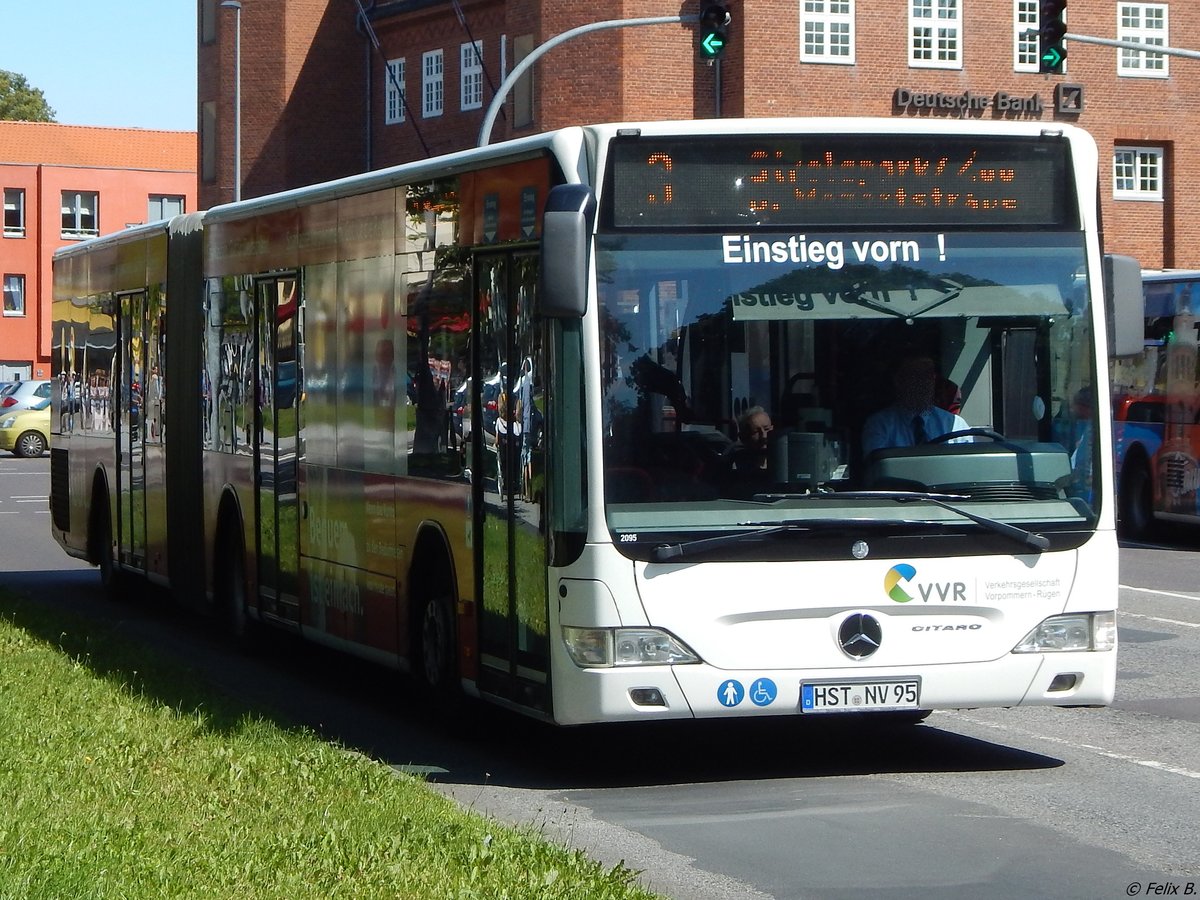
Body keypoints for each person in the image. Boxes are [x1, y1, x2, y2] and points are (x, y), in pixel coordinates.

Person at [862, 351, 969, 457]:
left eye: (928, 375)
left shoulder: (955, 425)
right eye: (915, 375)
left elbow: (968, 466)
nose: (923, 382)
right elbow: (876, 467)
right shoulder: (879, 425)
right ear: (898, 380)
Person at [730, 407, 773, 474]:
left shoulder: (785, 461)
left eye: (767, 429)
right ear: (743, 437)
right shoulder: (736, 465)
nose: (764, 436)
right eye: (755, 432)